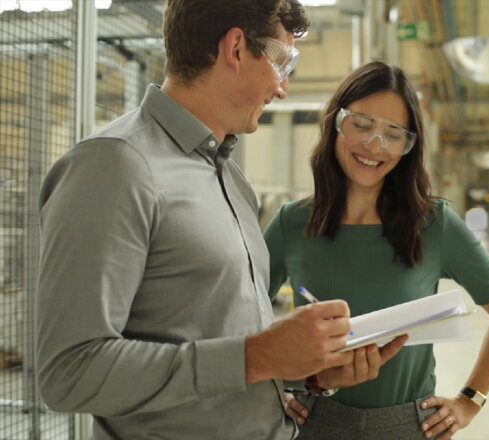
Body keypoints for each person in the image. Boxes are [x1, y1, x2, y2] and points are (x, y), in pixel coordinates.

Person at [36, 2, 404, 439]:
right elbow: (70, 374)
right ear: (235, 48)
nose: (283, 87)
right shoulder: (114, 165)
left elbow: (219, 340)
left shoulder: (230, 178)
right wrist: (257, 357)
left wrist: (307, 371)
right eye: (281, 61)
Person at [264, 61, 489, 440]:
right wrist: (279, 386)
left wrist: (470, 400)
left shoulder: (434, 224)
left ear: (408, 146)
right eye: (362, 124)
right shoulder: (292, 223)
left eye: (394, 133)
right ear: (337, 123)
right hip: (313, 421)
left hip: (406, 426)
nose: (374, 145)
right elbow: (241, 322)